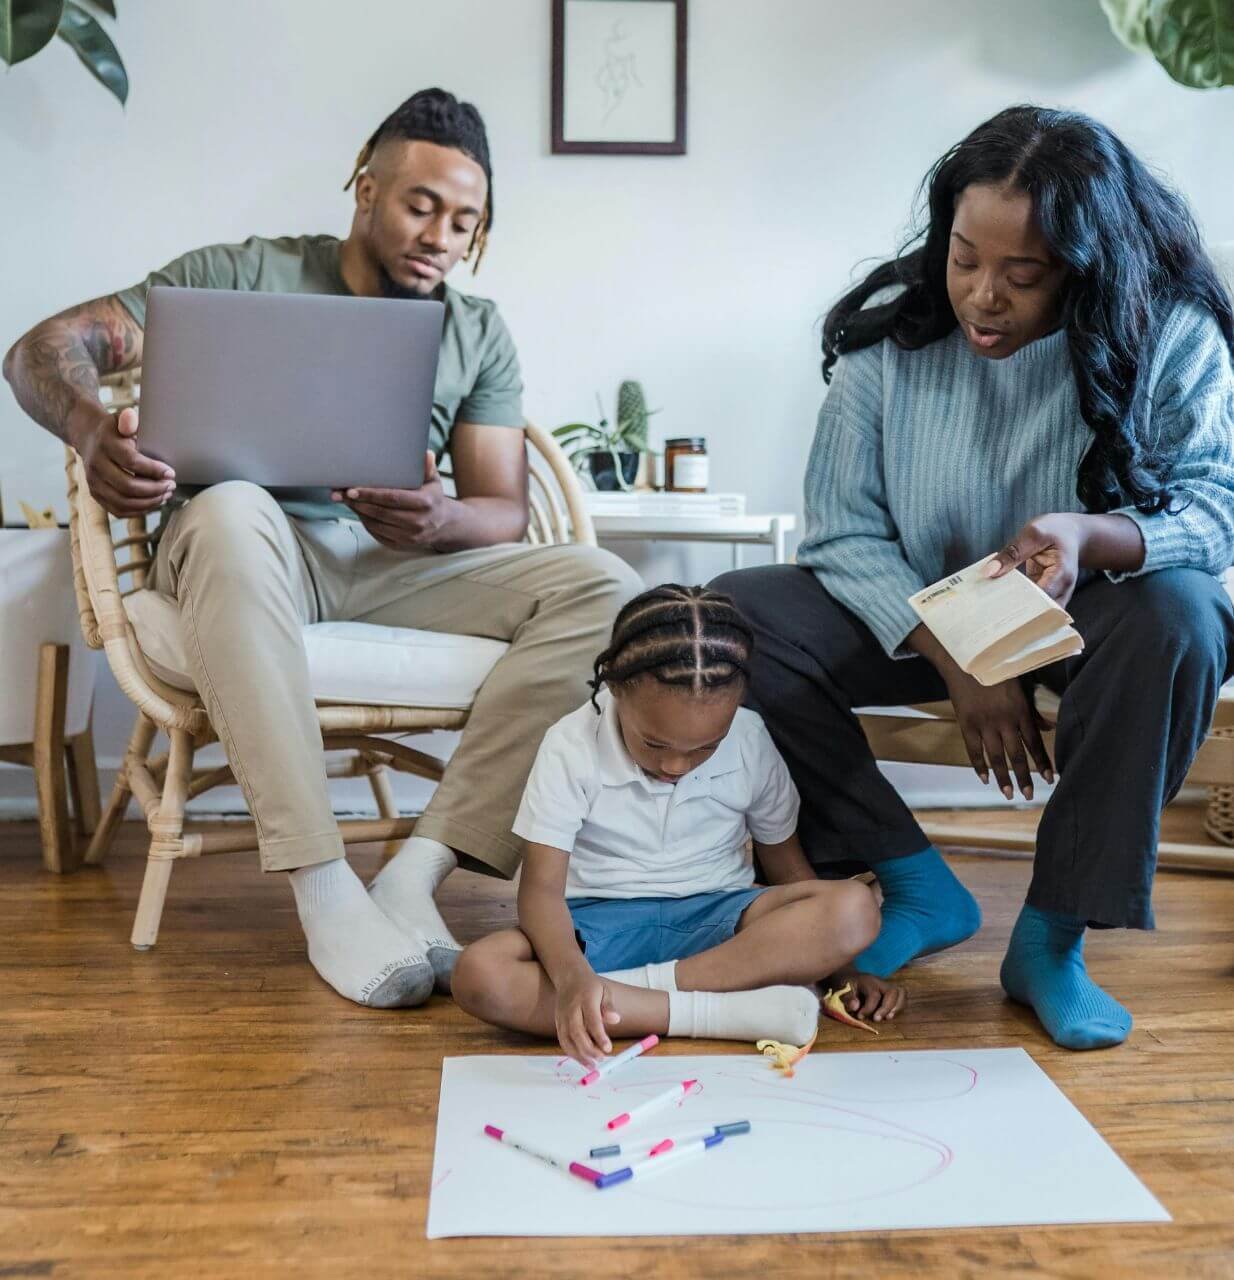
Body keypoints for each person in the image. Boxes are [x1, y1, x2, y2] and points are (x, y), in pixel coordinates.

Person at [3, 88, 641, 1009]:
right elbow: (42, 346)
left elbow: (501, 507)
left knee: (608, 585)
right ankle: (323, 884)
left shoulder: (476, 331)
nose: (440, 235)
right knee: (229, 506)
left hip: (393, 564)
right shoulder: (237, 272)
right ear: (364, 189)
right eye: (421, 206)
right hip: (244, 555)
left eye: (464, 221)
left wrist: (437, 519)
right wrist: (91, 429)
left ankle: (414, 875)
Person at [712, 104, 1234, 1051]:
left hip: (1091, 625)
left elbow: (1213, 510)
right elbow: (843, 535)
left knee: (1185, 616)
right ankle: (913, 880)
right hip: (921, 619)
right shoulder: (890, 345)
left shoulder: (1172, 334)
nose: (982, 297)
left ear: (1088, 266)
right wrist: (961, 660)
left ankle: (1050, 937)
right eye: (964, 258)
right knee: (727, 616)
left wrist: (1089, 534)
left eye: (1021, 274)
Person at [452, 585, 905, 1066]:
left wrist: (841, 969)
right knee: (479, 974)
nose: (675, 765)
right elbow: (541, 892)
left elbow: (787, 866)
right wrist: (571, 978)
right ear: (616, 688)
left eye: (705, 747)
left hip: (722, 919)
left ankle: (638, 999)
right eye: (654, 743)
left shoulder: (751, 737)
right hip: (598, 926)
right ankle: (731, 1012)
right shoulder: (569, 745)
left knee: (854, 908)